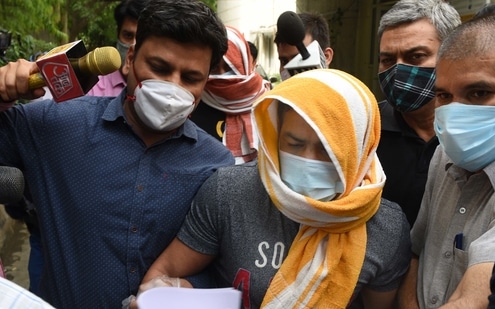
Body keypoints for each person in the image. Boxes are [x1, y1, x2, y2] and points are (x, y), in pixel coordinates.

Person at [0, 0, 234, 307]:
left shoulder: (217, 165)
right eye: (159, 68)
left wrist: (187, 288)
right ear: (131, 59)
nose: (171, 87)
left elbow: (219, 263)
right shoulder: (55, 125)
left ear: (207, 82)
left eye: (191, 78)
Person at [132, 69, 411, 308]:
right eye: (294, 144)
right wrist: (165, 293)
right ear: (275, 137)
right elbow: (163, 274)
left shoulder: (384, 227)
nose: (308, 160)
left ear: (359, 150)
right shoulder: (229, 192)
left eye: (327, 150)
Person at [398, 5, 495, 308]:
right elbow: (416, 252)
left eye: (478, 93)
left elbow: (475, 296)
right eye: (444, 96)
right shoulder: (443, 153)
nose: (455, 114)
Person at [376, 0, 461, 226]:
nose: (398, 70)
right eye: (387, 60)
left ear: (452, 57)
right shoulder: (365, 130)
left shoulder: (474, 133)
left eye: (416, 57)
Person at [190, 26, 270, 164]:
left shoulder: (268, 101)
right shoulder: (194, 102)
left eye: (230, 68)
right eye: (214, 68)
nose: (222, 75)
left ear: (244, 63)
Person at [87, 0, 147, 96]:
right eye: (128, 36)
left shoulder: (162, 90)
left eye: (141, 37)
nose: (133, 45)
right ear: (118, 35)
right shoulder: (95, 91)